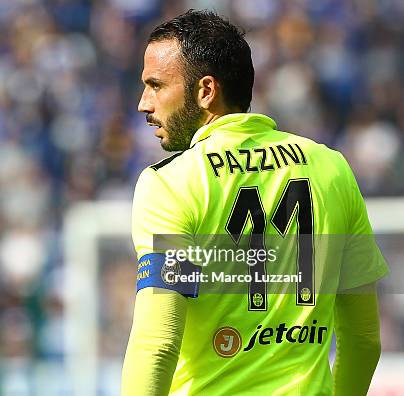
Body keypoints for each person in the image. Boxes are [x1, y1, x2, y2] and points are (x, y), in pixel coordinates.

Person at [121, 9, 388, 395]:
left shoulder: (172, 183)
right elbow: (364, 339)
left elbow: (158, 342)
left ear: (206, 91)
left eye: (156, 85)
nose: (144, 103)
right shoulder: (331, 169)